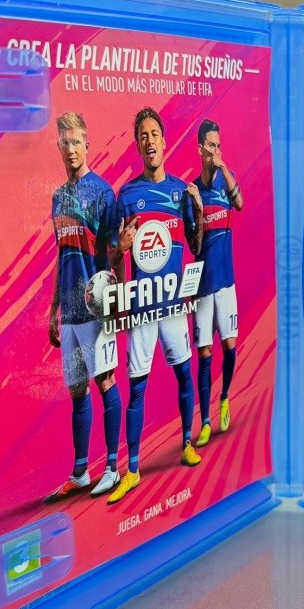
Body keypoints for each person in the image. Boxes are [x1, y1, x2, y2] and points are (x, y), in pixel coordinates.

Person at [106, 107, 204, 504]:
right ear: (138, 145)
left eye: (154, 134)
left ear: (164, 142)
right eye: (142, 135)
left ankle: (186, 444)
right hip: (143, 308)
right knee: (137, 387)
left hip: (174, 305)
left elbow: (195, 247)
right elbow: (114, 257)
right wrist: (120, 250)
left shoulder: (181, 192)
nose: (149, 141)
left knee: (184, 375)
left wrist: (198, 211)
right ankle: (132, 470)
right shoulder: (127, 196)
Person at [44, 112, 122, 502]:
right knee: (77, 391)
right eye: (65, 142)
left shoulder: (103, 193)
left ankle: (113, 467)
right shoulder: (58, 197)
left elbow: (114, 255)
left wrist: (116, 304)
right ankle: (80, 472)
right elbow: (63, 256)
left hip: (96, 310)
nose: (71, 149)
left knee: (105, 381)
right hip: (70, 314)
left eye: (77, 142)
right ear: (58, 147)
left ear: (87, 145)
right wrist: (53, 309)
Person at [191, 119, 243, 447]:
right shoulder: (193, 190)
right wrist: (197, 210)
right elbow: (193, 245)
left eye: (218, 145)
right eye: (211, 145)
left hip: (226, 282)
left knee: (229, 345)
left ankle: (224, 398)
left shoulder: (226, 180)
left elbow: (240, 204)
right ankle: (206, 421)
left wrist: (224, 167)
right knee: (204, 352)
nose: (215, 150)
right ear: (200, 149)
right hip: (202, 287)